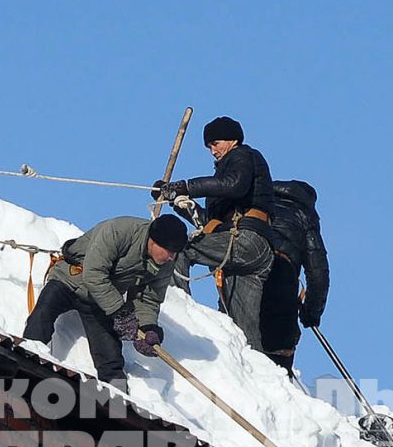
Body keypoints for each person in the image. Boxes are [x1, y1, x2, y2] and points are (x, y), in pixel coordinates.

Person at [23, 214, 190, 389]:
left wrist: (147, 328)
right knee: (41, 318)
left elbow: (148, 298)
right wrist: (119, 312)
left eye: (175, 253)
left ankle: (118, 404)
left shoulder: (165, 264)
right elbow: (94, 273)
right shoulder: (119, 231)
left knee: (111, 359)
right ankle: (26, 363)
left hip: (100, 301)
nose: (172, 257)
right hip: (69, 280)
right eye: (169, 251)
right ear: (154, 241)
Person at [151, 116, 274, 351]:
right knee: (242, 329)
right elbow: (210, 223)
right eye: (209, 146)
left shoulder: (242, 157)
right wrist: (177, 201)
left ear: (232, 139)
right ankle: (260, 377)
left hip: (245, 239)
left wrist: (186, 186)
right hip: (250, 250)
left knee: (178, 250)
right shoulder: (225, 177)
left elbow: (234, 184)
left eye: (216, 143)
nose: (213, 151)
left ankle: (180, 312)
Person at [259, 179, 331, 371]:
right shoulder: (305, 217)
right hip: (281, 285)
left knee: (235, 341)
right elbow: (318, 274)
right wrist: (311, 313)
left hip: (246, 277)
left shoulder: (259, 204)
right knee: (278, 356)